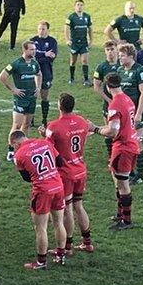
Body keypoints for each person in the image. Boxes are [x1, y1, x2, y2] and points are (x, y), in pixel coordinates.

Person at [40, 93, 94, 254]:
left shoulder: (54, 126)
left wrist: (44, 135)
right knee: (79, 205)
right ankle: (87, 242)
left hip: (65, 173)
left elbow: (48, 148)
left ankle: (67, 246)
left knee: (68, 208)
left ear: (59, 106)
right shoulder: (82, 121)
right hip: (80, 168)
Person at [88, 73, 139, 230]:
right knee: (119, 182)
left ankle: (127, 220)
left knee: (123, 184)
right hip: (131, 143)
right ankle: (120, 214)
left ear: (107, 87)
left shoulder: (115, 104)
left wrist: (94, 128)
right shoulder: (127, 99)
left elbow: (113, 131)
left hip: (123, 147)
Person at [11, 130, 66, 268]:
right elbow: (60, 162)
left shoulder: (19, 154)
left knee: (40, 227)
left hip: (42, 191)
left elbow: (26, 178)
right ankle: (61, 255)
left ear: (15, 142)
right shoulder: (45, 143)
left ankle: (41, 262)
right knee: (59, 222)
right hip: (58, 186)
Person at [0, 41, 42, 161]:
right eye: (31, 49)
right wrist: (13, 89)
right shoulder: (16, 64)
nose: (34, 51)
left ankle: (23, 149)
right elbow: (2, 76)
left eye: (34, 49)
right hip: (20, 100)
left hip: (31, 99)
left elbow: (39, 74)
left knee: (26, 124)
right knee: (16, 125)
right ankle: (11, 151)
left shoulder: (34, 63)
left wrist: (38, 88)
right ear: (25, 50)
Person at [116, 43, 143, 184]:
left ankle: (139, 175)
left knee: (137, 143)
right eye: (119, 55)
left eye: (122, 56)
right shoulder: (119, 70)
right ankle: (129, 171)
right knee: (125, 142)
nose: (120, 58)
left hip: (135, 112)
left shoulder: (140, 71)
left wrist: (139, 113)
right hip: (123, 114)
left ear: (131, 56)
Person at [93, 41, 120, 155]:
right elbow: (96, 87)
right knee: (109, 129)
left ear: (117, 50)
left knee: (122, 130)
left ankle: (120, 152)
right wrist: (109, 100)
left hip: (122, 102)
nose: (110, 52)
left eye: (112, 49)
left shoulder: (122, 65)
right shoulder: (101, 67)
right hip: (108, 104)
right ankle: (111, 155)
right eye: (108, 50)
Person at [31, 20, 58, 126]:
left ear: (47, 30)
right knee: (33, 95)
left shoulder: (52, 41)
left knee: (44, 96)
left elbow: (52, 57)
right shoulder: (33, 40)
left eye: (43, 29)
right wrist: (44, 54)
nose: (41, 31)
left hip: (46, 72)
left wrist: (39, 57)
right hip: (33, 72)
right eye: (39, 29)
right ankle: (31, 118)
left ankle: (44, 119)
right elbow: (31, 55)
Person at [65, 0, 93, 86]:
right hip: (74, 43)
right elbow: (66, 28)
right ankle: (72, 78)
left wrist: (91, 40)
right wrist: (67, 39)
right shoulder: (71, 17)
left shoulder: (87, 16)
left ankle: (86, 79)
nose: (79, 6)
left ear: (83, 6)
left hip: (84, 43)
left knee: (84, 60)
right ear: (75, 6)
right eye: (78, 5)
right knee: (73, 61)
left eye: (81, 5)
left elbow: (90, 28)